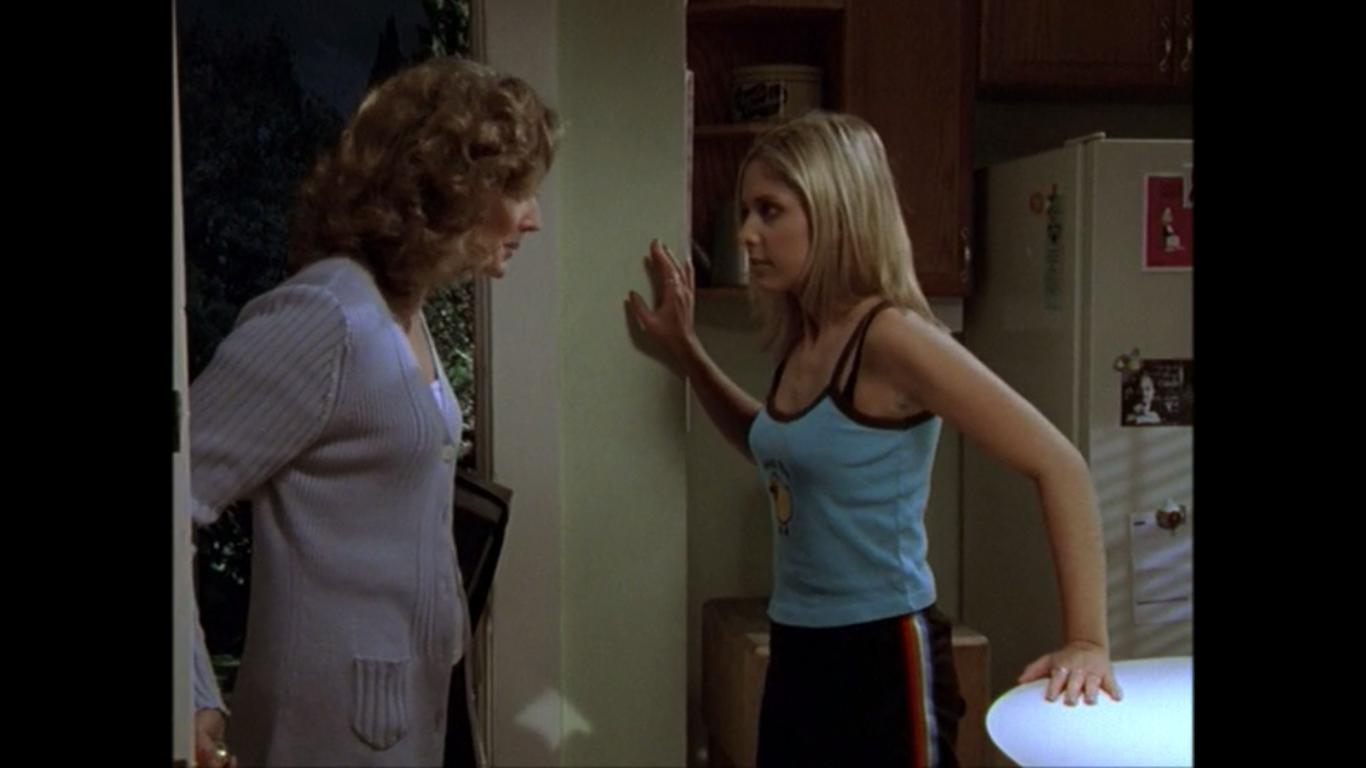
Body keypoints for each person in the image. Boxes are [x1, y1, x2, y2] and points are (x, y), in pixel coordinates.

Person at [626, 111, 1120, 767]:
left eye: (769, 211)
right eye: (747, 212)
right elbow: (775, 448)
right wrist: (687, 354)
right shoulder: (806, 336)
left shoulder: (893, 338)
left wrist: (1087, 640)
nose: (746, 234)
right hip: (797, 644)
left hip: (883, 655)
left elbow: (1059, 463)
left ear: (835, 213)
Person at [188, 56, 560, 768]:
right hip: (322, 734)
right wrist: (191, 690)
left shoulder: (402, 312)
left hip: (408, 720)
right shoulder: (328, 315)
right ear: (445, 185)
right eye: (515, 188)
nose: (533, 217)